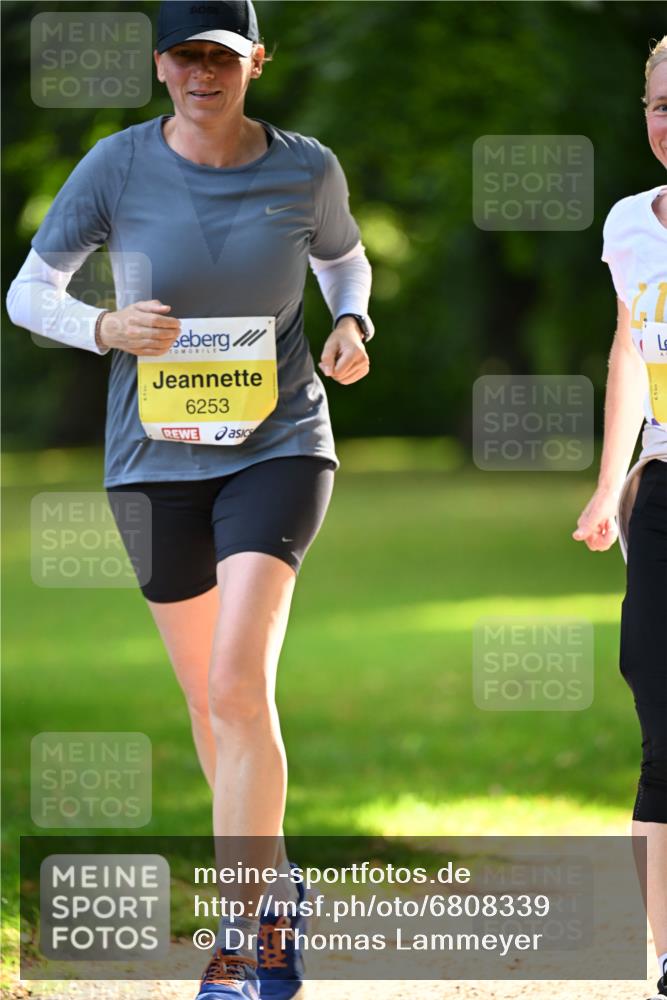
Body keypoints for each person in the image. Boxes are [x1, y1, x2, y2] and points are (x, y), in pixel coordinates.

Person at [6, 2, 374, 997]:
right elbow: (27, 292)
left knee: (233, 685)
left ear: (256, 60)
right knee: (209, 709)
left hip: (279, 443)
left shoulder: (306, 167)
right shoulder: (115, 167)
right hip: (150, 460)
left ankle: (245, 937)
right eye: (184, 55)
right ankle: (279, 890)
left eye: (221, 54)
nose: (202, 72)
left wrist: (351, 321)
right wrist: (104, 327)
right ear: (160, 65)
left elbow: (342, 257)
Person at [573, 34, 667, 1000]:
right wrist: (608, 486)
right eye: (661, 102)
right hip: (664, 485)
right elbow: (629, 352)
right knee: (657, 698)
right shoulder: (629, 226)